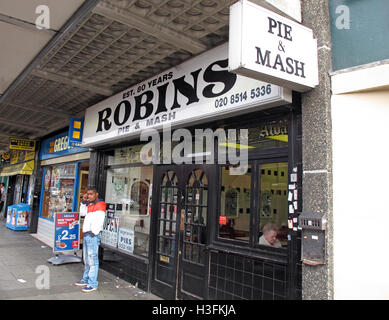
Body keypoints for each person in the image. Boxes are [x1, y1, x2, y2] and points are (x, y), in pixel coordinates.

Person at [75, 187, 106, 293]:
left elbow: (100, 221)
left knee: (92, 259)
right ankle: (86, 279)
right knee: (87, 259)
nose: (89, 196)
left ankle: (92, 283)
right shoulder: (90, 204)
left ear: (96, 194)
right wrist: (83, 202)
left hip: (92, 235)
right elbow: (83, 213)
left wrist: (94, 232)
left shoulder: (100, 204)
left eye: (91, 194)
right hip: (87, 233)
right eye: (87, 194)